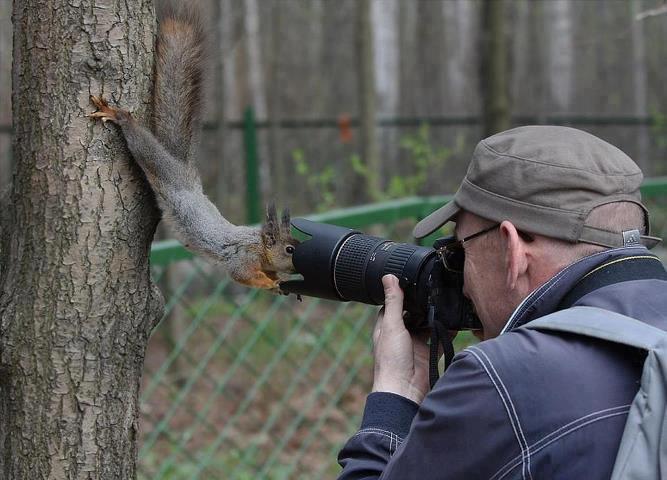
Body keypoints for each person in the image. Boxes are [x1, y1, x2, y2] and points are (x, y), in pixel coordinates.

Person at [337, 125, 667, 479]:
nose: (460, 280)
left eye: (461, 250)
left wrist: (394, 395)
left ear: (513, 249)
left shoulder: (503, 380)